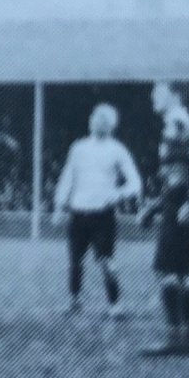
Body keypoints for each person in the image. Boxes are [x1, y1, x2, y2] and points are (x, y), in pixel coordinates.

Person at [138, 82, 189, 357]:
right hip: (176, 201)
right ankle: (188, 336)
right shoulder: (174, 124)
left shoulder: (181, 123)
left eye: (158, 92)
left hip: (183, 203)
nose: (152, 97)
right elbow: (176, 174)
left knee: (166, 270)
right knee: (181, 271)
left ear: (176, 95)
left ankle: (175, 337)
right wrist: (156, 206)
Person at [51, 103, 142, 318]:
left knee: (107, 261)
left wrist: (117, 195)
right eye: (95, 117)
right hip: (78, 212)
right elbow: (67, 178)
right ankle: (74, 301)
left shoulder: (117, 150)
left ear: (112, 125)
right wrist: (59, 206)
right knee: (75, 260)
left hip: (102, 214)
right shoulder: (78, 148)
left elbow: (135, 183)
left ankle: (115, 304)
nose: (98, 121)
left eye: (104, 119)